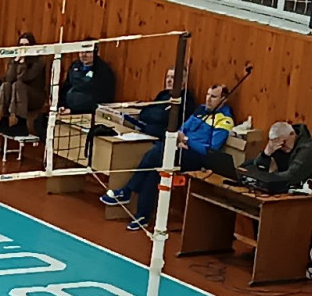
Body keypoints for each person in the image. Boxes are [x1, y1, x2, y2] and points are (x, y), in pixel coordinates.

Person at [104, 83, 233, 230]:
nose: (208, 99)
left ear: (224, 100)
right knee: (155, 167)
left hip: (198, 157)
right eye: (208, 95)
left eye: (213, 97)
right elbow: (183, 129)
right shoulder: (201, 110)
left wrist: (187, 141)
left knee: (158, 153)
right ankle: (142, 216)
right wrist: (179, 140)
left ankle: (127, 191)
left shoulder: (225, 120)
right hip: (182, 148)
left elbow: (211, 150)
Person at [243, 120, 312, 194]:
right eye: (278, 144)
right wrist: (266, 154)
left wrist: (267, 176)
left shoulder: (308, 150)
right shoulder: (279, 146)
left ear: (292, 134)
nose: (282, 146)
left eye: (284, 142)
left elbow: (290, 177)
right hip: (294, 192)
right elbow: (257, 168)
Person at [0, 32, 48, 137]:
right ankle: (4, 120)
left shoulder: (39, 61)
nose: (23, 47)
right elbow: (8, 78)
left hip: (35, 96)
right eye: (21, 45)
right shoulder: (15, 59)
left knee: (18, 85)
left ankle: (22, 123)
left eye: (26, 45)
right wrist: (15, 62)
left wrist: (22, 63)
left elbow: (25, 78)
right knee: (5, 85)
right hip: (18, 93)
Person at [126, 68, 196, 140]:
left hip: (165, 138)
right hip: (147, 132)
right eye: (167, 77)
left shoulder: (186, 100)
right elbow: (144, 113)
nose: (168, 80)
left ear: (182, 81)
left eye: (172, 78)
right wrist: (160, 114)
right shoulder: (163, 94)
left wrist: (157, 115)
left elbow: (165, 119)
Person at [60, 45, 116, 116]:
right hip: (67, 110)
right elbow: (66, 87)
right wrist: (62, 106)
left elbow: (102, 98)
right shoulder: (75, 66)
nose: (84, 55)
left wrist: (73, 111)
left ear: (95, 53)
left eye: (88, 52)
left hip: (88, 113)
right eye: (81, 52)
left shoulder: (103, 71)